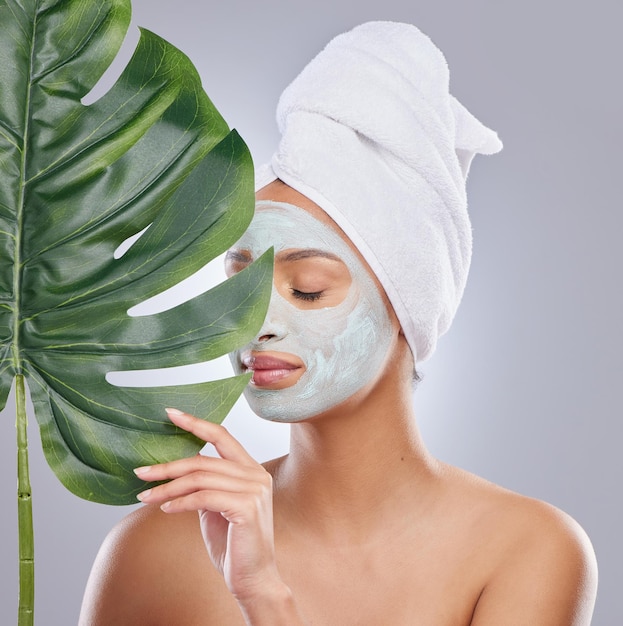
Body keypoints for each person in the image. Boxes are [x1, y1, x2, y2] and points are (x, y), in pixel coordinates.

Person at [79, 22, 598, 625]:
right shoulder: (154, 550)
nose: (255, 324)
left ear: (408, 309)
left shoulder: (526, 550)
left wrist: (265, 598)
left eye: (307, 289)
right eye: (239, 284)